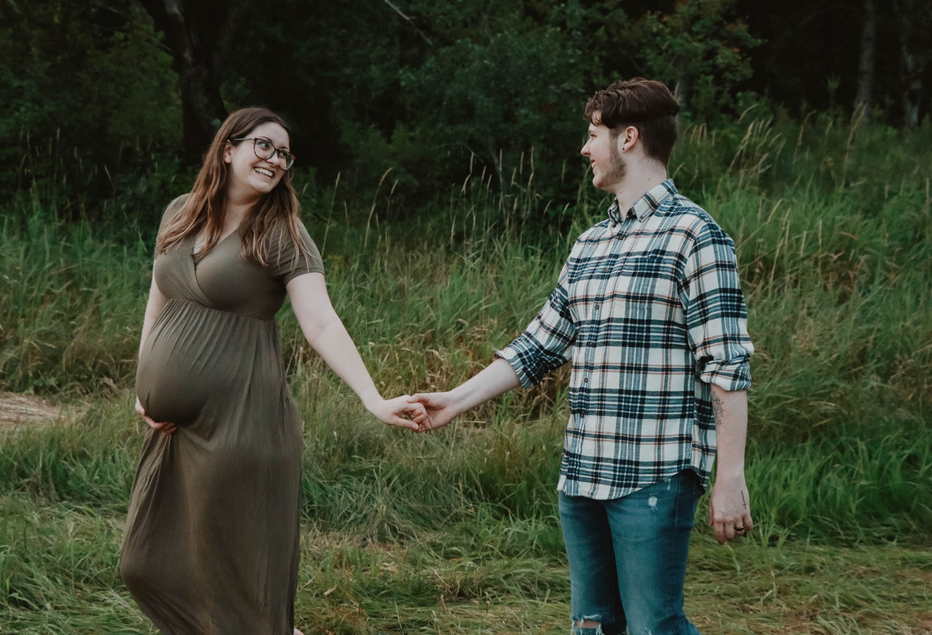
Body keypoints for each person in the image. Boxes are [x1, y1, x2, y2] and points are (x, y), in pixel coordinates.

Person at [412, 78, 755, 634]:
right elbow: (539, 344)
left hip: (654, 476)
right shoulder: (590, 243)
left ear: (628, 138)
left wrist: (729, 477)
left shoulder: (696, 236)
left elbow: (727, 366)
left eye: (593, 134)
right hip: (582, 474)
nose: (584, 148)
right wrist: (454, 401)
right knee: (591, 626)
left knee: (654, 626)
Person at [120, 107, 424, 635]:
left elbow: (321, 323)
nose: (276, 160)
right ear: (228, 148)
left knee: (239, 582)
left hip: (242, 424)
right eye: (264, 145)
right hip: (173, 430)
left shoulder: (282, 233)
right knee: (145, 564)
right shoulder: (179, 213)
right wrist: (144, 387)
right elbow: (157, 306)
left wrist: (373, 398)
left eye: (284, 154)